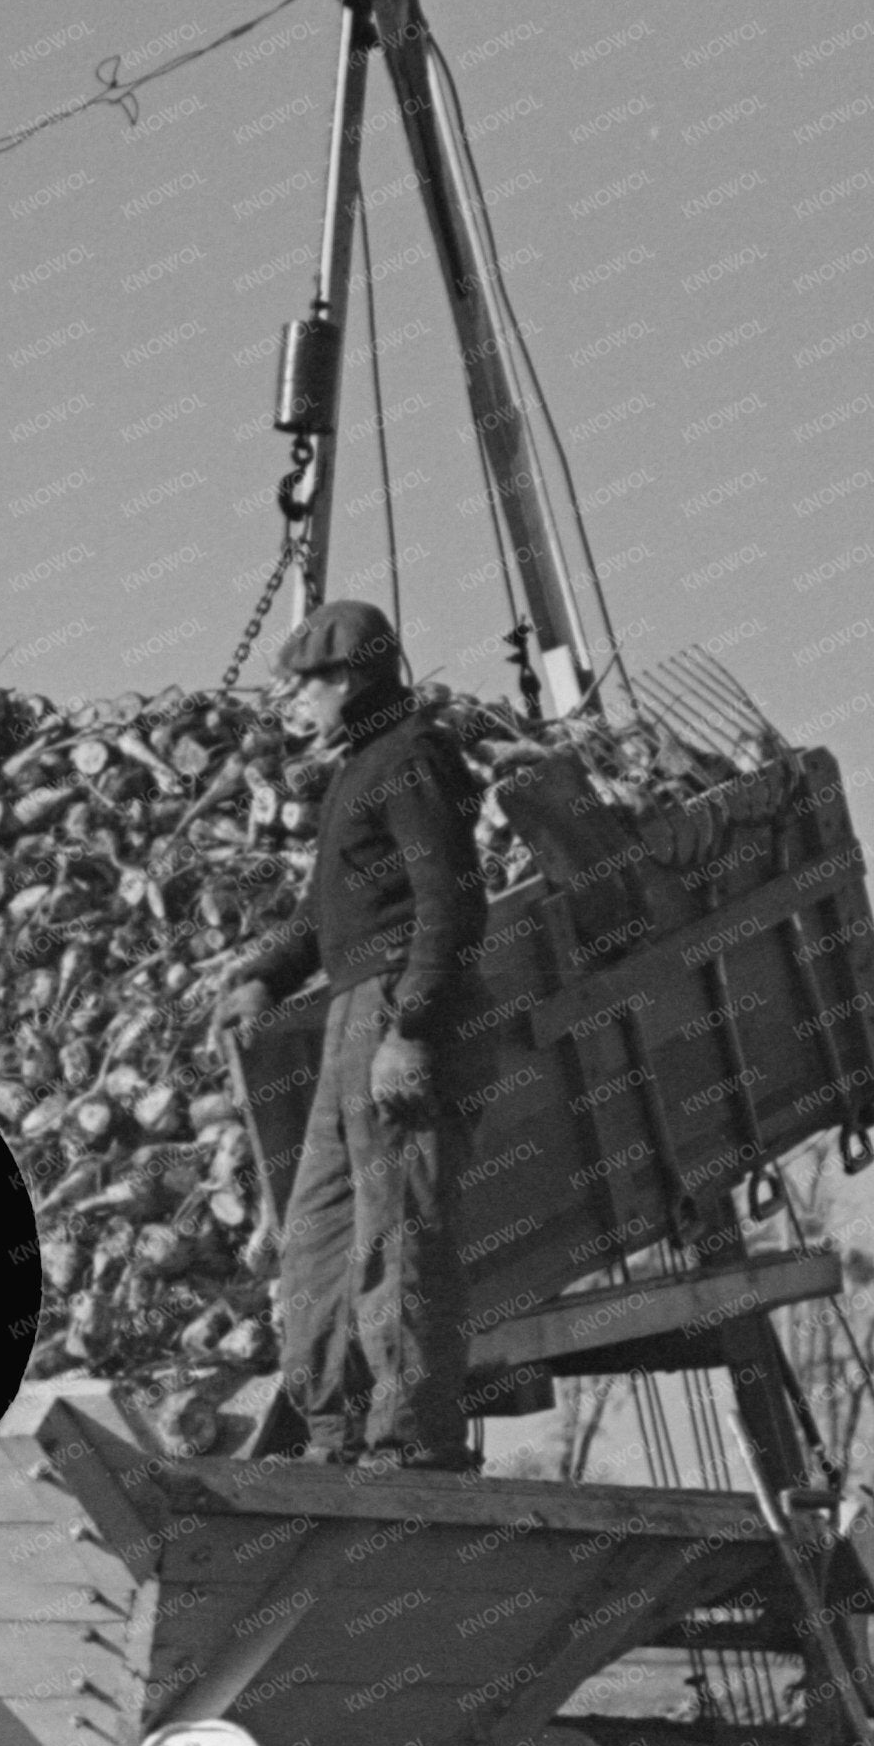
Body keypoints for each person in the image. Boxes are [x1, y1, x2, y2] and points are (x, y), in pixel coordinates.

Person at [211, 599, 491, 1472]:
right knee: (320, 1237)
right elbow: (320, 920)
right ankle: (330, 1432)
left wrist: (413, 1028)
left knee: (399, 1229)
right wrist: (262, 975)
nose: (301, 703)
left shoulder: (413, 760)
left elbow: (451, 902)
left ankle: (412, 1442)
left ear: (355, 678)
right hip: (347, 1012)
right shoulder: (356, 771)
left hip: (393, 1010)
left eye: (312, 683)